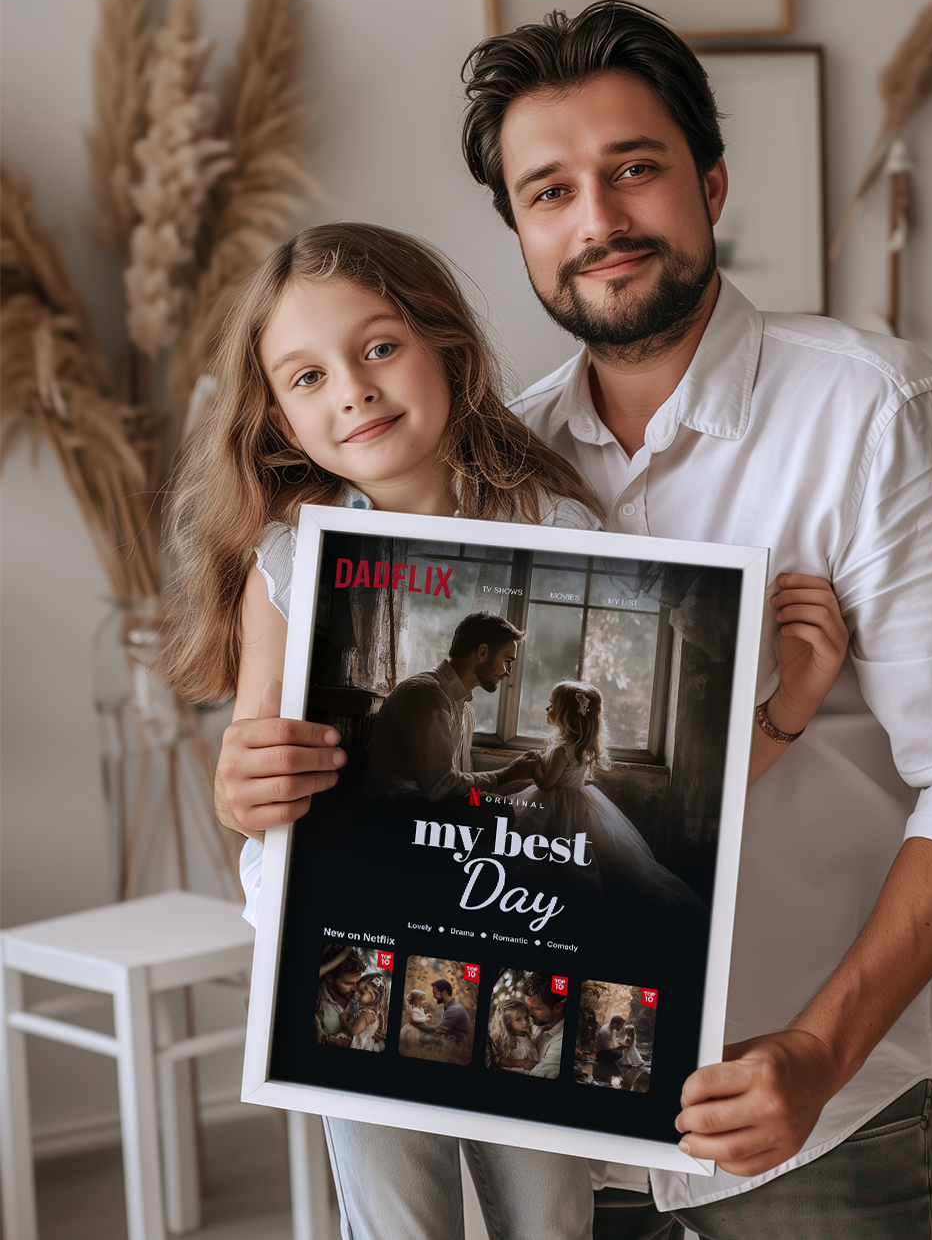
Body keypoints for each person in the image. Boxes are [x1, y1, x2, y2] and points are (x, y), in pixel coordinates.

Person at [459, 0, 932, 1236]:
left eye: (635, 169)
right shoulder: (498, 466)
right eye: (551, 192)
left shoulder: (877, 413)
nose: (599, 220)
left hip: (817, 1113)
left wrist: (822, 1052)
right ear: (520, 232)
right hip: (559, 1114)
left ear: (713, 183)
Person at [159, 221, 602, 1240]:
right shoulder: (288, 561)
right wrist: (242, 789)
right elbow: (252, 775)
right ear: (279, 418)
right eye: (308, 377)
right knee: (397, 1218)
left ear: (443, 344)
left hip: (509, 927)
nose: (353, 390)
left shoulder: (553, 526)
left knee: (549, 1212)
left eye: (379, 348)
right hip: (349, 938)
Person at [517, 679, 700, 909]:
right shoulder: (578, 746)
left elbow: (546, 784)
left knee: (551, 849)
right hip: (579, 800)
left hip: (556, 804)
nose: (547, 708)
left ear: (566, 715)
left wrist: (534, 765)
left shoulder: (562, 750)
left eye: (552, 705)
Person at [365, 611, 535, 801]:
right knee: (502, 809)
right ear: (483, 652)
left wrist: (516, 782)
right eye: (507, 661)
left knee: (512, 804)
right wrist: (508, 774)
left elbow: (460, 787)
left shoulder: (466, 710)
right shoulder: (426, 695)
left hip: (439, 806)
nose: (509, 673)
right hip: (401, 809)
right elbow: (440, 787)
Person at [521, 972, 567, 1078]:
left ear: (558, 1008)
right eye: (528, 1006)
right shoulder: (540, 1022)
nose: (529, 1013)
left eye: (536, 1009)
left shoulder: (561, 1041)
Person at [487, 997, 540, 1072]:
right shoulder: (507, 1039)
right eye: (518, 1019)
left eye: (526, 1017)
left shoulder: (525, 1035)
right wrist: (521, 1063)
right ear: (507, 1023)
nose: (525, 1022)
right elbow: (499, 1060)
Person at [346, 971, 391, 1052]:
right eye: (358, 991)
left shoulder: (367, 1013)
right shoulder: (376, 1011)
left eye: (362, 993)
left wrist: (342, 1019)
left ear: (375, 996)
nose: (357, 995)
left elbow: (352, 1031)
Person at [428, 978, 472, 1044]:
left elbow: (438, 1031)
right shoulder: (448, 1007)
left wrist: (417, 1025)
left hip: (457, 1046)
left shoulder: (454, 1010)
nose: (433, 996)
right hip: (450, 1042)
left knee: (425, 1038)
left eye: (435, 993)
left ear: (444, 992)